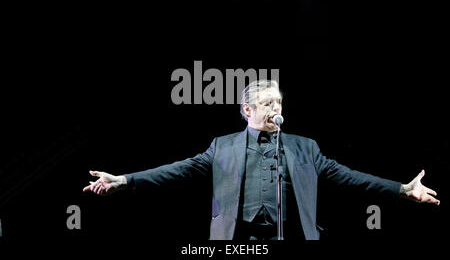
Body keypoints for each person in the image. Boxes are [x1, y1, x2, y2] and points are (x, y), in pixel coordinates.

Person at [83, 80, 440, 240]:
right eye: (268, 103)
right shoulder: (222, 146)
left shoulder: (305, 147)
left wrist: (401, 189)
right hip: (238, 242)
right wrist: (125, 179)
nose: (276, 109)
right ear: (247, 110)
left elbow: (349, 176)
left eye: (279, 103)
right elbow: (177, 170)